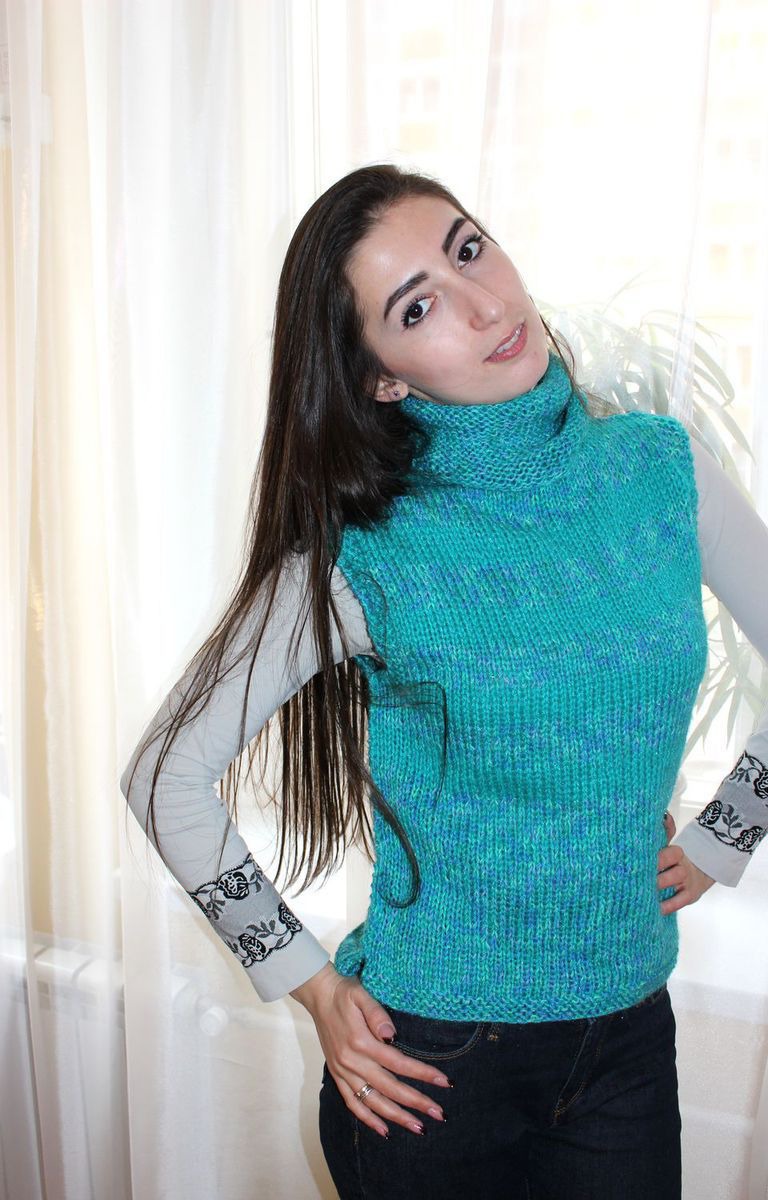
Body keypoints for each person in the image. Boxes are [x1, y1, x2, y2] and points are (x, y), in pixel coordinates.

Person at [120, 164, 768, 1200]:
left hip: (628, 1039)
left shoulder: (662, 469)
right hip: (431, 1067)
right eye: (416, 308)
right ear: (382, 378)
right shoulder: (366, 554)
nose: (481, 304)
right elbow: (166, 774)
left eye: (469, 250)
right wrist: (306, 982)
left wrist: (728, 832)